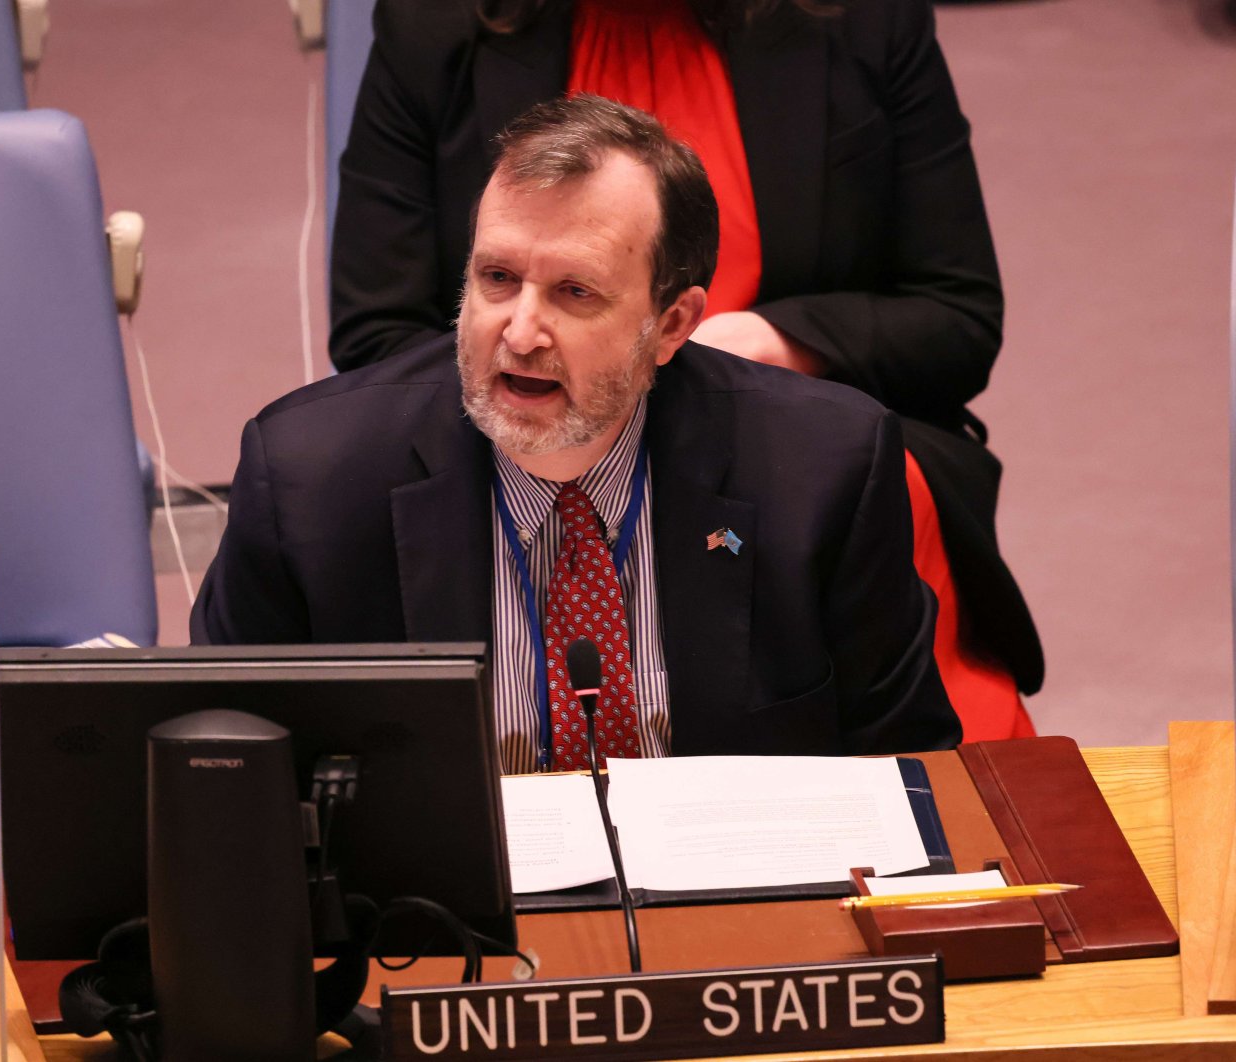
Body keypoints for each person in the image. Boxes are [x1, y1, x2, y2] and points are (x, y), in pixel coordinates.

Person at [328, 0, 1043, 739]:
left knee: (875, 492)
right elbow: (376, 332)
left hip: (799, 449)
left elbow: (956, 318)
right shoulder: (433, 23)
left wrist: (776, 344)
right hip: (523, 429)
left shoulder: (865, 18)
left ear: (679, 319)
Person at [195, 95, 960, 769]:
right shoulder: (308, 481)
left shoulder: (822, 468)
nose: (520, 332)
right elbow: (221, 775)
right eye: (497, 279)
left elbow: (906, 766)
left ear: (672, 324)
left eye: (574, 291)